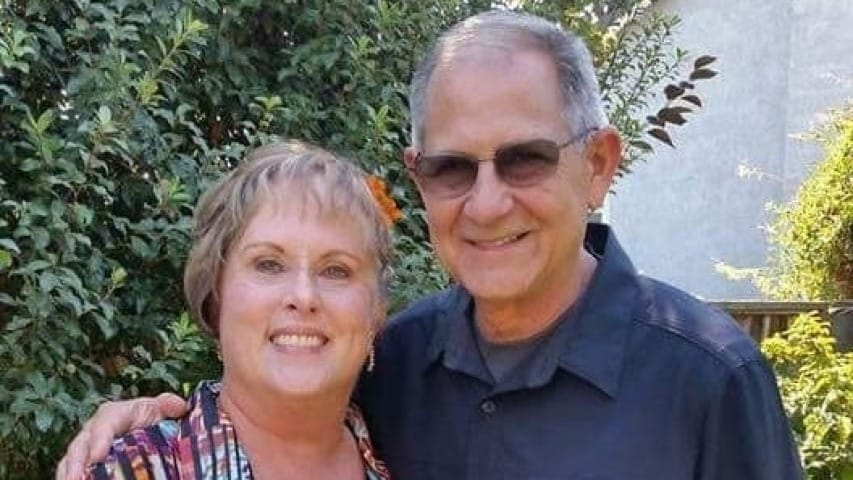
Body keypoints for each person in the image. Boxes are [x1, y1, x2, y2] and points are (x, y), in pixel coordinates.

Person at [58, 10, 803, 480]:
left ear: (598, 165)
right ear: (418, 178)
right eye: (451, 167)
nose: (486, 202)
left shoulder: (707, 382)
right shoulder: (393, 365)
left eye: (524, 159)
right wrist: (140, 429)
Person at [60, 141, 393, 479]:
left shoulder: (410, 455)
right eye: (269, 265)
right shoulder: (133, 470)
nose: (303, 295)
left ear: (376, 310)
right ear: (216, 296)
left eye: (336, 270)